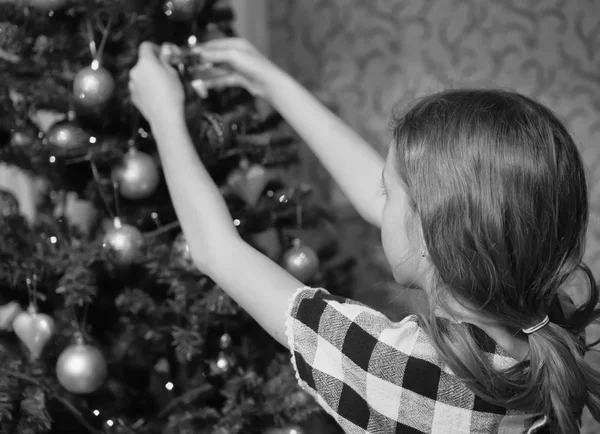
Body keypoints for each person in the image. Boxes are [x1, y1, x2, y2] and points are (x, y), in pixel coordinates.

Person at [128, 38, 600, 433]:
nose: (379, 198)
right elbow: (395, 208)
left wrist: (163, 115)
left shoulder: (396, 369)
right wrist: (268, 80)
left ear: (433, 233)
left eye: (388, 191)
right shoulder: (552, 332)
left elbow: (215, 249)